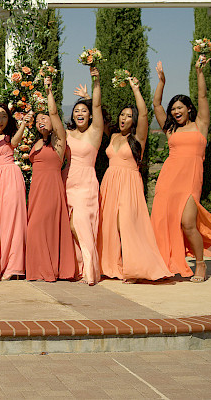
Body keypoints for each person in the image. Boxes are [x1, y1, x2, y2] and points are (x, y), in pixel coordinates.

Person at [151, 58, 211, 282]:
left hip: (190, 180)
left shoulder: (201, 124)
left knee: (188, 223)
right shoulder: (170, 129)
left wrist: (200, 72)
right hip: (168, 179)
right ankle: (164, 263)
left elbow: (203, 97)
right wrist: (162, 81)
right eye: (173, 109)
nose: (175, 111)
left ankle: (200, 264)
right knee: (163, 222)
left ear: (188, 108)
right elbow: (156, 105)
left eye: (179, 107)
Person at [97, 75, 173, 282]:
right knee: (109, 226)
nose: (123, 118)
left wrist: (136, 89)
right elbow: (98, 116)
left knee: (127, 226)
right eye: (122, 115)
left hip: (129, 184)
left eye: (129, 116)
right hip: (109, 183)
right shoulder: (113, 135)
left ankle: (135, 268)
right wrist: (90, 94)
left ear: (134, 120)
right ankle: (114, 266)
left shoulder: (138, 138)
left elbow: (145, 113)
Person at [25, 77, 78, 282]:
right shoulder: (37, 142)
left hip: (51, 189)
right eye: (39, 119)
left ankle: (49, 269)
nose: (42, 121)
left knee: (41, 226)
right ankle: (39, 269)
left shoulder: (59, 141)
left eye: (44, 118)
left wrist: (48, 92)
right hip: (36, 191)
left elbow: (54, 113)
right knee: (35, 228)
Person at [62, 67, 104, 285]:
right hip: (66, 181)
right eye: (76, 110)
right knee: (69, 227)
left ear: (90, 115)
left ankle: (90, 269)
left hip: (86, 184)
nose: (80, 113)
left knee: (80, 225)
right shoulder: (67, 133)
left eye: (84, 110)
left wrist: (95, 81)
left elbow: (97, 105)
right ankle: (78, 267)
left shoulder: (94, 133)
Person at [0, 103, 29, 280]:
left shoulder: (9, 137)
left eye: (4, 116)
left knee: (11, 221)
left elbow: (16, 142)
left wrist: (23, 124)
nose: (0, 119)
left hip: (10, 178)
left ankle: (12, 266)